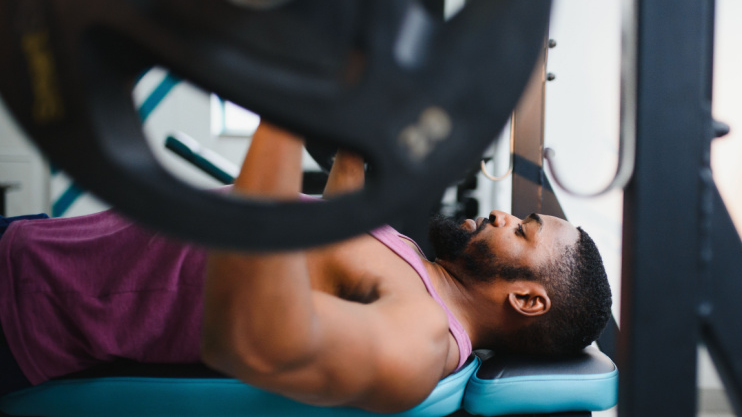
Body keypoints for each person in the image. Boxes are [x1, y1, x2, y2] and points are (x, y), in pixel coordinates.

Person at [0, 121, 612, 413]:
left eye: (524, 232)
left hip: (26, 311)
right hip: (36, 250)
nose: (504, 217)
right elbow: (331, 235)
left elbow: (252, 339)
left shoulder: (420, 336)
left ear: (528, 300)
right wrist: (355, 129)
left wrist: (283, 112)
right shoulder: (424, 279)